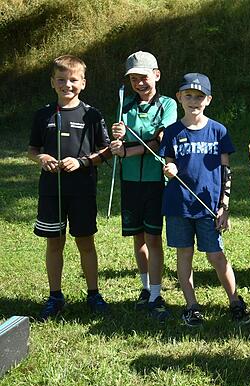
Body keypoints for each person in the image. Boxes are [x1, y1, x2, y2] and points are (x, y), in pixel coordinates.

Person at [159, 73, 250, 326]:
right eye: (188, 95)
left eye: (199, 96)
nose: (193, 101)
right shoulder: (172, 132)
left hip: (209, 207)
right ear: (179, 98)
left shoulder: (218, 131)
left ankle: (235, 301)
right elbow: (169, 164)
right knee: (184, 254)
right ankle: (191, 305)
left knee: (216, 255)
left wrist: (225, 206)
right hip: (179, 206)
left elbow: (225, 171)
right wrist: (170, 169)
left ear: (208, 100)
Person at [28, 55, 112, 320]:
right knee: (55, 243)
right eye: (61, 80)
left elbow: (107, 150)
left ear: (83, 83)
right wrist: (41, 158)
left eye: (73, 80)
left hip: (82, 190)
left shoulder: (92, 115)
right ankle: (55, 296)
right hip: (52, 191)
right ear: (53, 82)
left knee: (85, 242)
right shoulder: (43, 115)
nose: (67, 85)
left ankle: (94, 294)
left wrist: (82, 161)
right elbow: (33, 150)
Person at [109, 51, 177, 320]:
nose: (139, 83)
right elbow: (117, 143)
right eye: (134, 79)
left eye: (144, 77)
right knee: (138, 237)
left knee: (153, 238)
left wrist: (127, 150)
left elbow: (161, 142)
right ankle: (145, 288)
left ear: (156, 75)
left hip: (154, 181)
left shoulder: (168, 105)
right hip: (129, 181)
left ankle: (157, 293)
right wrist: (116, 142)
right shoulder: (125, 105)